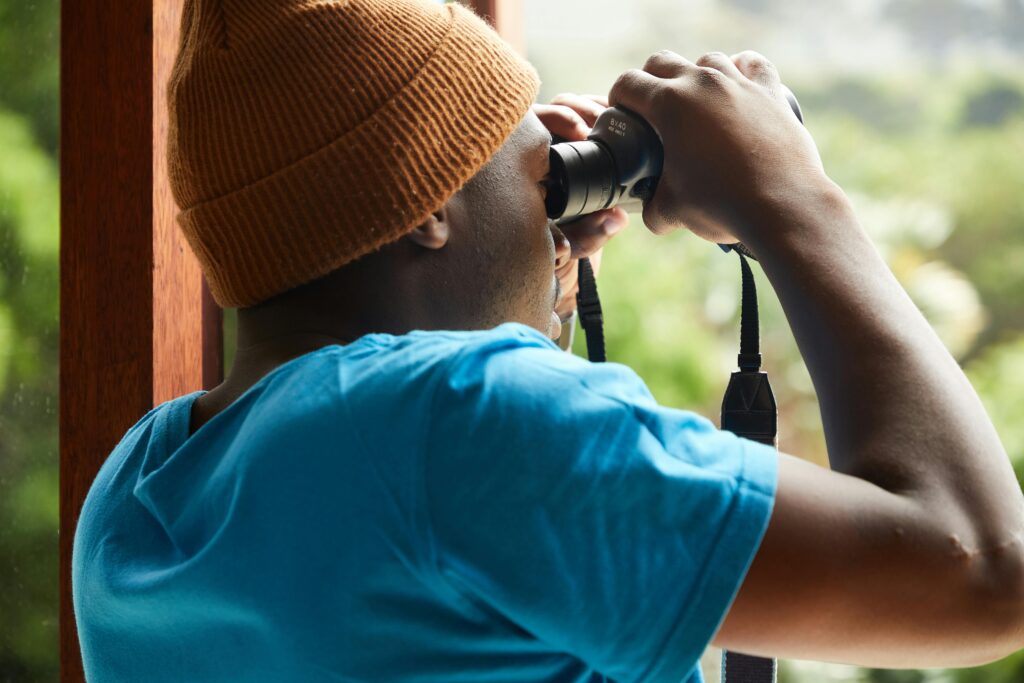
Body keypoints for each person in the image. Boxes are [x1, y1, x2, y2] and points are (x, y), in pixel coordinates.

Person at [72, 0, 1024, 681]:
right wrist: (792, 199)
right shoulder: (458, 418)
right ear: (429, 208)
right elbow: (985, 568)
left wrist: (532, 286)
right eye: (523, 151)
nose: (550, 170)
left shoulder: (137, 490)